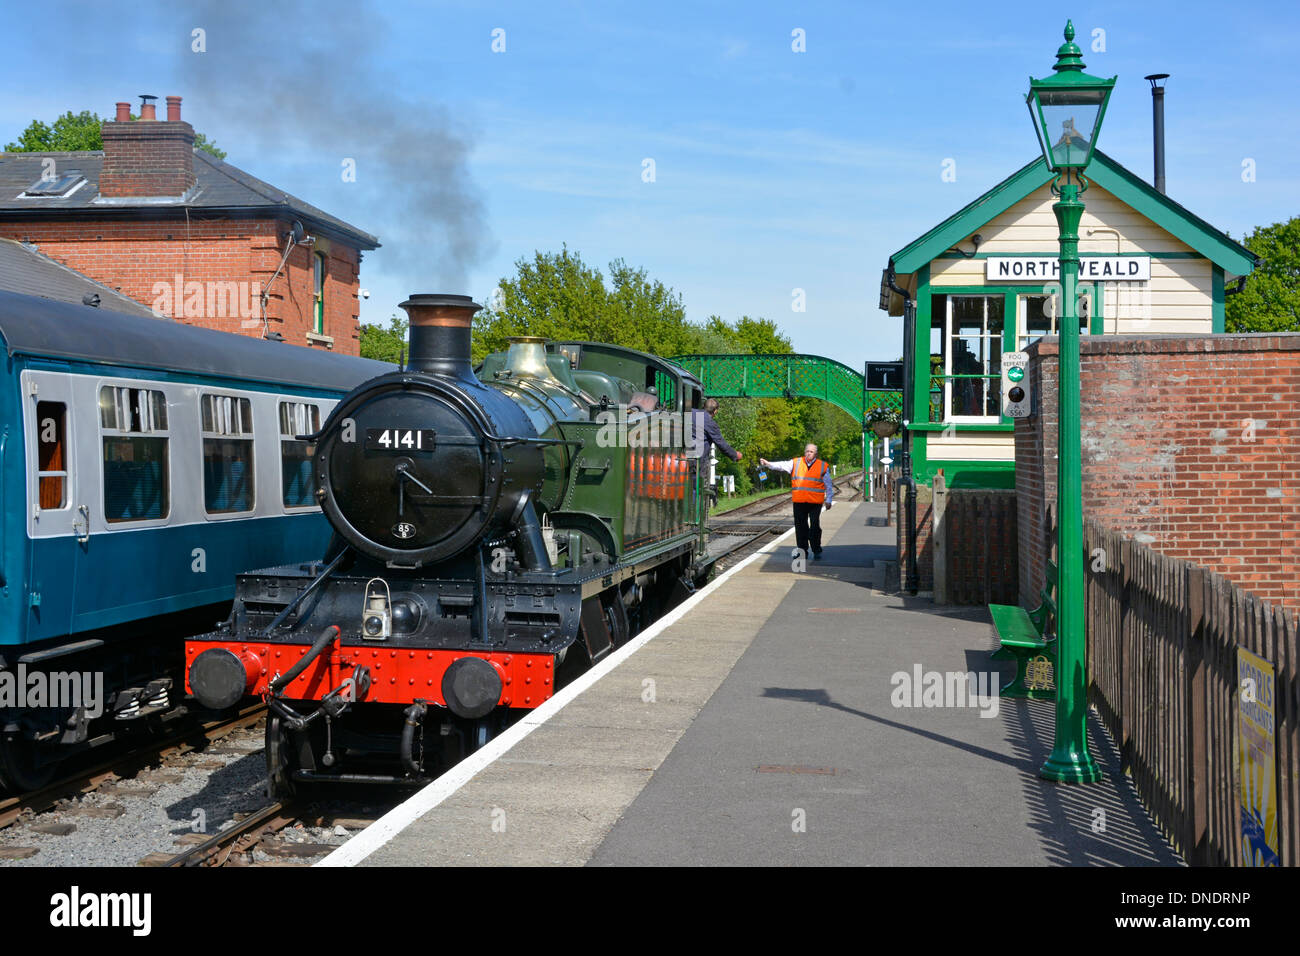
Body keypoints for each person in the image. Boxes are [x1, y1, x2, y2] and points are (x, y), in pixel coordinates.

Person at [759, 443, 833, 560]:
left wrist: (829, 499)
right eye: (807, 451)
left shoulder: (822, 466)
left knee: (814, 526)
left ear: (816, 454)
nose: (808, 453)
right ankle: (802, 551)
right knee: (800, 527)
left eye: (811, 451)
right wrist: (768, 464)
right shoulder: (796, 462)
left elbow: (828, 485)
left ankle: (816, 549)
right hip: (799, 501)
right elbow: (782, 465)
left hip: (815, 503)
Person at [695, 398, 741, 506]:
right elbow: (721, 444)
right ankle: (695, 516)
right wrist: (735, 455)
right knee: (696, 488)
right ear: (715, 411)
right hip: (698, 461)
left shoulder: (691, 414)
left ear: (703, 406)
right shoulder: (710, 423)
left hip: (681, 458)